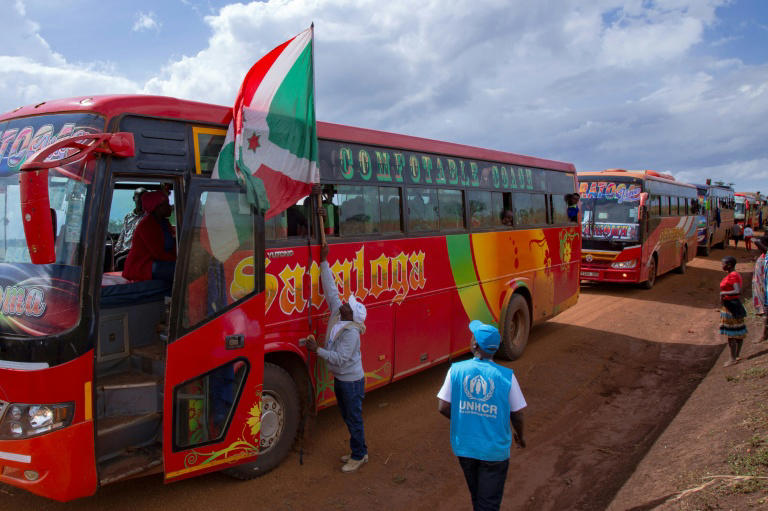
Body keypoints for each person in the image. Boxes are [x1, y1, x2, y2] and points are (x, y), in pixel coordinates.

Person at [437, 320, 526, 511]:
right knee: (488, 501)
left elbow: (443, 406)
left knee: (477, 495)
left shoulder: (456, 370)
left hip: (465, 448)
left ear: (475, 345)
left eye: (472, 336)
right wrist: (520, 436)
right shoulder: (507, 376)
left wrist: (464, 420)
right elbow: (517, 414)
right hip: (494, 452)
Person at [305, 236, 368, 473]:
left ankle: (359, 455)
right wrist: (323, 261)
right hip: (343, 380)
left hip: (351, 382)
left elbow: (340, 359)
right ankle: (359, 449)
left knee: (353, 419)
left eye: (348, 307)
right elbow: (331, 288)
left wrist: (316, 350)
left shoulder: (351, 333)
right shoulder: (338, 314)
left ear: (352, 316)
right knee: (348, 417)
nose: (344, 304)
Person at [122, 191, 177, 282]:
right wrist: (179, 261)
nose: (169, 207)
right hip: (142, 267)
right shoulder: (147, 225)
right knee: (182, 271)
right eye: (166, 204)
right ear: (156, 207)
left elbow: (171, 246)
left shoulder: (164, 223)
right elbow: (158, 253)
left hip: (157, 263)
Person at [719, 256, 747, 366]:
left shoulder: (733, 276)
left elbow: (737, 290)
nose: (722, 266)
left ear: (729, 265)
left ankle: (732, 358)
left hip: (731, 307)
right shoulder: (734, 275)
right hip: (734, 306)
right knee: (738, 331)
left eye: (723, 264)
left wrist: (723, 294)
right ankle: (737, 355)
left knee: (731, 335)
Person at [114, 187, 148, 256]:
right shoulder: (128, 216)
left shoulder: (148, 218)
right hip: (123, 251)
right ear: (134, 198)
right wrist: (116, 250)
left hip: (136, 254)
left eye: (145, 199)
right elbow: (123, 235)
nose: (142, 201)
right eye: (140, 198)